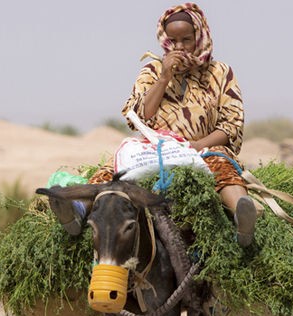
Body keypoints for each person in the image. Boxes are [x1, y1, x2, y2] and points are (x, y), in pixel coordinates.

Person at [88, 3, 257, 247]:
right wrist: (164, 77)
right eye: (173, 40)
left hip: (202, 149)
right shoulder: (152, 70)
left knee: (221, 163)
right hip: (155, 150)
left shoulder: (220, 72)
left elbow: (231, 124)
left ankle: (243, 217)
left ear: (199, 36)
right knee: (113, 168)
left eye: (186, 39)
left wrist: (197, 145)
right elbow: (139, 116)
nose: (179, 47)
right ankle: (77, 209)